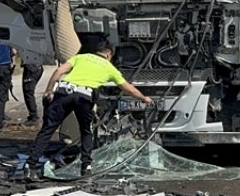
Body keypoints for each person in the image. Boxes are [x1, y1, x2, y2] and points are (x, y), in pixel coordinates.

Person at [21, 41, 152, 177]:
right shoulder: (110, 67)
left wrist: (49, 90)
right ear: (108, 54)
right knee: (86, 131)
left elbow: (59, 70)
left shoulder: (81, 57)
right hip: (84, 97)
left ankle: (29, 165)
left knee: (47, 130)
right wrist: (144, 98)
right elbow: (128, 88)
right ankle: (86, 167)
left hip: (64, 92)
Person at [20, 56, 44, 126]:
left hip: (31, 68)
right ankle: (33, 115)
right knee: (28, 91)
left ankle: (34, 117)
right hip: (36, 67)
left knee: (28, 92)